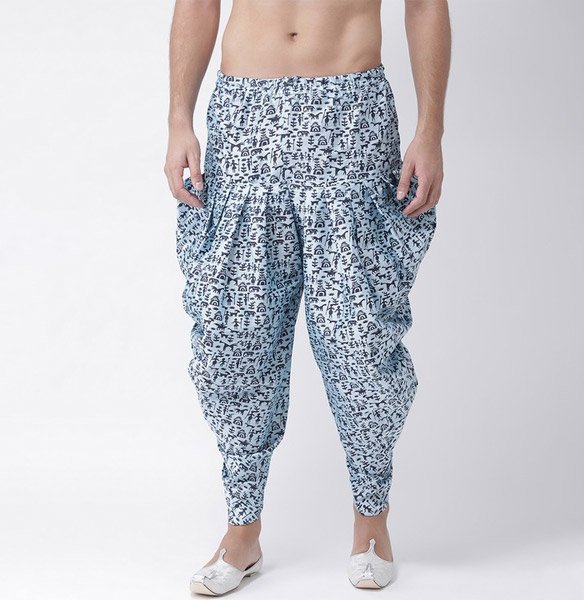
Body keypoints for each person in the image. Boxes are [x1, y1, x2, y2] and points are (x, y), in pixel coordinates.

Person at [164, 0, 450, 594]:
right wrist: (178, 121)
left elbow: (425, 5)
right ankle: (242, 530)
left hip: (350, 112)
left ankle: (371, 523)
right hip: (245, 115)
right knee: (234, 341)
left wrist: (431, 130)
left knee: (361, 339)